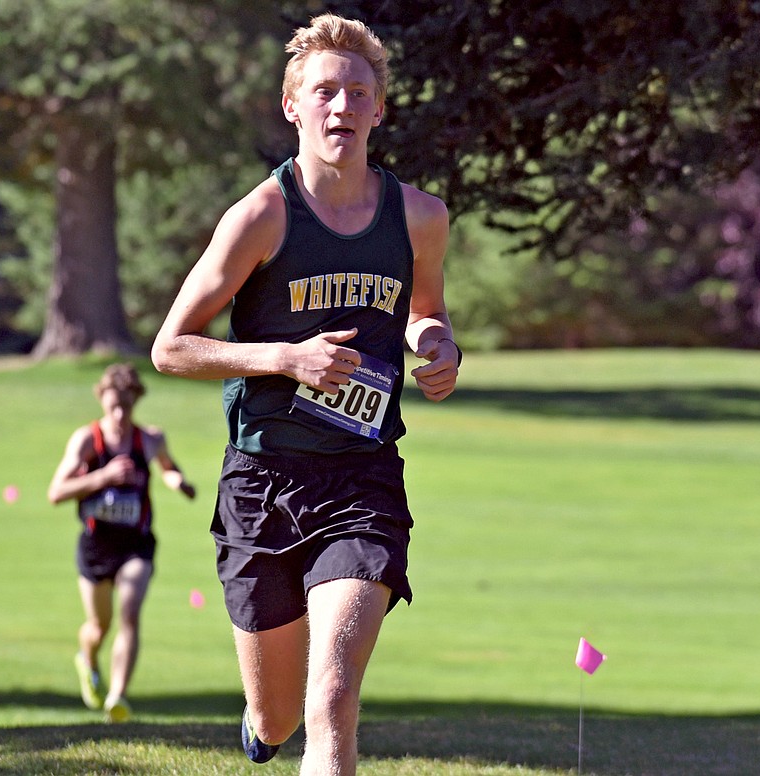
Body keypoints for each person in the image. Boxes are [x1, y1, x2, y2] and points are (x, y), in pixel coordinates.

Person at [151, 12, 460, 774]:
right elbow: (171, 348)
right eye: (325, 91)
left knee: (332, 699)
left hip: (362, 480)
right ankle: (262, 727)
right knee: (282, 713)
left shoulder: (419, 217)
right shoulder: (261, 216)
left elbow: (425, 311)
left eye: (359, 93)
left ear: (379, 109)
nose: (342, 107)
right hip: (261, 483)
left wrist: (439, 345)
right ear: (293, 105)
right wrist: (285, 358)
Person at [47, 363, 196, 722]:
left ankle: (117, 696)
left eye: (125, 406)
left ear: (135, 402)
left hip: (136, 544)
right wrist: (103, 476)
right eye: (112, 405)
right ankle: (88, 657)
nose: (118, 414)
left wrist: (177, 481)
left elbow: (168, 466)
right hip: (97, 546)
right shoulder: (87, 440)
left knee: (129, 614)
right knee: (99, 626)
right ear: (102, 399)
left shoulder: (150, 439)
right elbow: (56, 492)